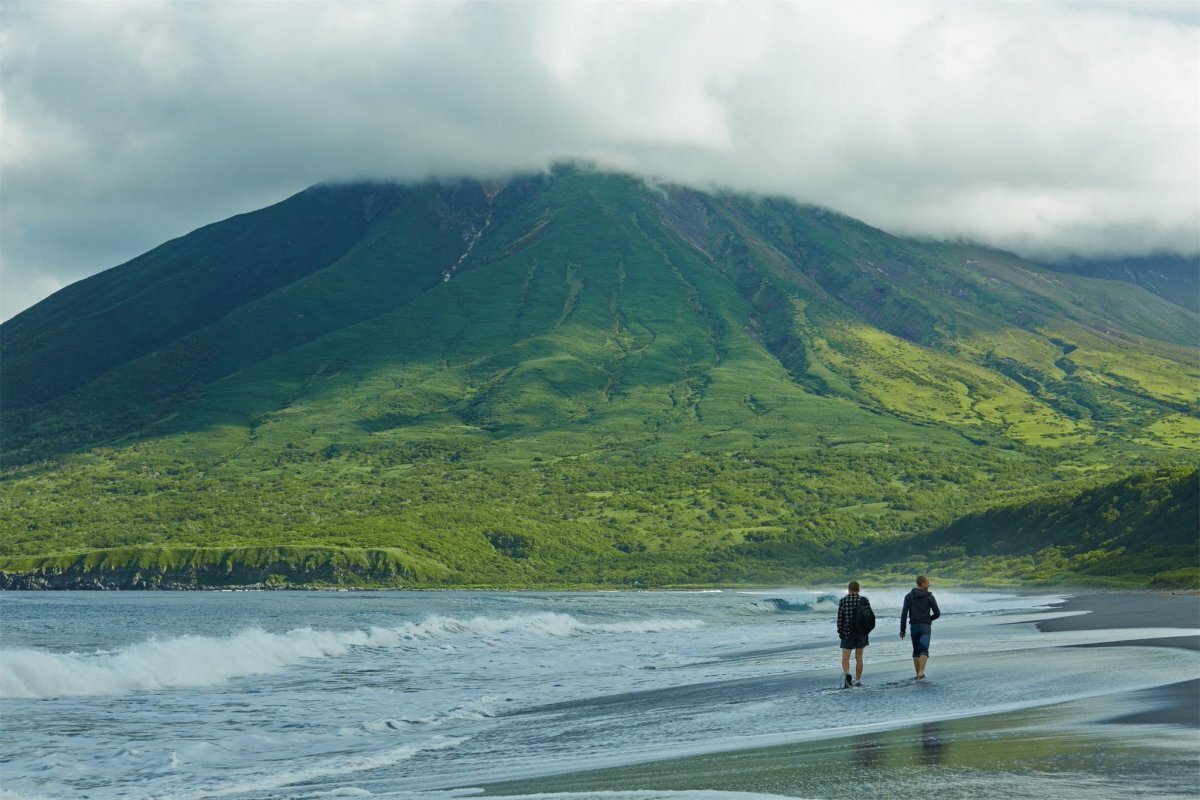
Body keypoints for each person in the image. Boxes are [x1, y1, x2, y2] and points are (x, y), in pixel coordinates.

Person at [900, 575, 940, 679]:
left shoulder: (908, 596)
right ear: (922, 583)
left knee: (916, 651)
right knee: (924, 650)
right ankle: (921, 673)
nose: (928, 584)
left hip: (913, 626)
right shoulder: (929, 597)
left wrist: (902, 630)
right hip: (925, 626)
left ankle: (917, 673)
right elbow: (937, 613)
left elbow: (904, 614)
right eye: (927, 583)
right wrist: (928, 619)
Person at [837, 580, 872, 687]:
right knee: (859, 658)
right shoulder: (864, 600)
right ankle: (857, 680)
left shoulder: (843, 601)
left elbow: (840, 619)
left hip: (847, 633)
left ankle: (847, 676)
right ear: (858, 589)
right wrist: (867, 631)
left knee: (845, 658)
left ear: (849, 589)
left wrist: (841, 632)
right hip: (861, 633)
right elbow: (869, 618)